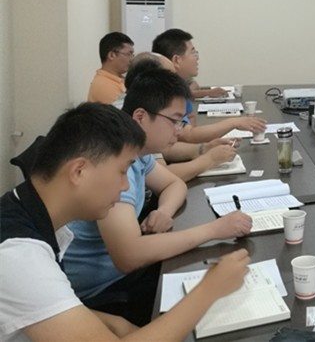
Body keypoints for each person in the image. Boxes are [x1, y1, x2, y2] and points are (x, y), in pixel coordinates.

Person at [0, 102, 250, 341]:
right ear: (79, 171)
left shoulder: (30, 209)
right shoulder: (19, 255)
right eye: (122, 172)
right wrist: (210, 289)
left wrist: (115, 324)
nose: (126, 185)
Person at [63, 70, 252, 325]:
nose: (179, 131)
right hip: (102, 294)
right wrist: (214, 230)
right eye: (174, 121)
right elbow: (128, 255)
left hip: (122, 274)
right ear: (140, 117)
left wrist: (164, 211)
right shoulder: (114, 162)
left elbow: (174, 183)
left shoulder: (137, 150)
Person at [124, 56, 237, 182]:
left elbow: (169, 153)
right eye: (170, 76)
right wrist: (209, 159)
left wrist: (204, 148)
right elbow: (189, 135)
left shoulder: (146, 140)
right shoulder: (125, 145)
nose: (177, 79)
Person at [152, 28, 266, 139]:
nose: (197, 58)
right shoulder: (164, 95)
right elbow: (187, 135)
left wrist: (198, 142)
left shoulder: (179, 87)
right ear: (177, 60)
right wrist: (233, 123)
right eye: (193, 52)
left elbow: (190, 121)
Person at [88, 32, 135, 104]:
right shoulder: (103, 86)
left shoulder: (119, 79)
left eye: (132, 54)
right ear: (111, 55)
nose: (132, 59)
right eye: (129, 54)